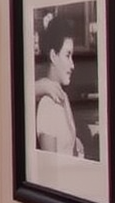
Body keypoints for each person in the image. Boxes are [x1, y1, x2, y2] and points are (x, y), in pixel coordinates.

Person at [35, 13, 85, 156]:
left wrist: (74, 142)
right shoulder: (47, 105)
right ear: (53, 56)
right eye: (67, 55)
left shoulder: (63, 97)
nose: (72, 65)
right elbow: (50, 171)